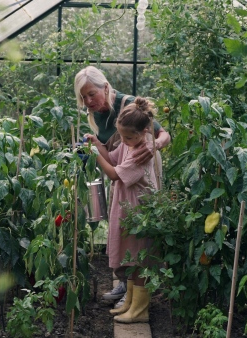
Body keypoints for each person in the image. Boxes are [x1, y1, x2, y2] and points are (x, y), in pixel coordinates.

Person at [74, 66, 171, 307]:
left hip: (139, 173)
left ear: (105, 87)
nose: (88, 101)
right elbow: (113, 156)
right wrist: (96, 143)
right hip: (124, 176)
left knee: (138, 237)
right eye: (83, 97)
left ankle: (136, 293)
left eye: (91, 94)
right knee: (125, 232)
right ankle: (126, 286)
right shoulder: (96, 115)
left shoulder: (129, 106)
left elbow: (164, 135)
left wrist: (154, 145)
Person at [84, 96, 159, 324]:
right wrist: (97, 144)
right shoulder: (130, 143)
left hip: (139, 211)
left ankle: (140, 310)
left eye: (129, 137)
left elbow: (114, 173)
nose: (125, 141)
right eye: (123, 137)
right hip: (127, 207)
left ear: (145, 131)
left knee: (139, 260)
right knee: (131, 258)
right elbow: (113, 158)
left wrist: (95, 156)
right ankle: (130, 304)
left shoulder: (142, 150)